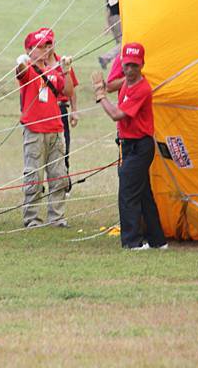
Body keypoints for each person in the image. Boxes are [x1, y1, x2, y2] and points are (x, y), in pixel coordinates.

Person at [92, 42, 168, 250]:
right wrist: (104, 89)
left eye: (134, 66)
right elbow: (115, 89)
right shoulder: (127, 82)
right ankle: (157, 241)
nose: (130, 70)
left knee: (127, 193)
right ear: (122, 64)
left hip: (140, 147)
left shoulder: (142, 88)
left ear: (142, 64)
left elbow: (117, 114)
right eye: (127, 65)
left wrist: (101, 97)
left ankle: (132, 241)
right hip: (130, 145)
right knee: (143, 194)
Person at [15, 29, 74, 228]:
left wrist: (65, 71)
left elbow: (66, 91)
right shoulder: (29, 70)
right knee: (34, 175)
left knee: (58, 175)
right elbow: (20, 73)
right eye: (41, 46)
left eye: (48, 45)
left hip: (55, 129)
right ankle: (32, 218)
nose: (46, 49)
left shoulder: (53, 71)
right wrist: (23, 61)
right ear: (30, 49)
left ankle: (56, 217)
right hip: (34, 131)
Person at [41, 28, 80, 194]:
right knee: (40, 150)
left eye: (50, 43)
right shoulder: (36, 66)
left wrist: (74, 111)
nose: (48, 47)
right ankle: (40, 184)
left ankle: (64, 183)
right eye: (44, 44)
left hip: (60, 110)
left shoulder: (63, 63)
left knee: (63, 148)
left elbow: (72, 89)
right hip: (42, 112)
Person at [98, 0, 122, 70]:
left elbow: (108, 9)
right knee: (124, 43)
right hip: (120, 18)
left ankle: (117, 67)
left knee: (119, 43)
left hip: (111, 18)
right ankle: (106, 57)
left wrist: (107, 24)